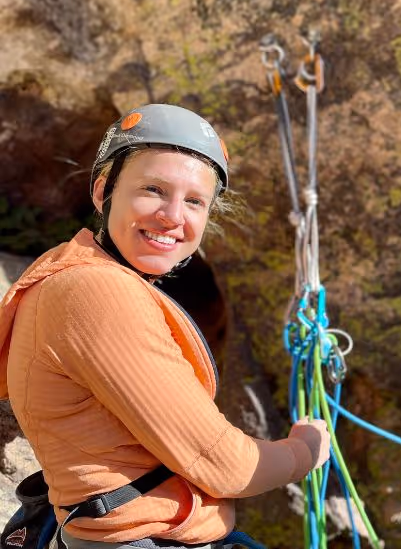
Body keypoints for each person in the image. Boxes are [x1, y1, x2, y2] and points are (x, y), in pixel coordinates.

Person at [0, 104, 331, 548]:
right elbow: (226, 465)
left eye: (194, 201)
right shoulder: (94, 292)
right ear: (103, 192)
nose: (174, 216)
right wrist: (305, 449)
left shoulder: (71, 272)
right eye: (154, 189)